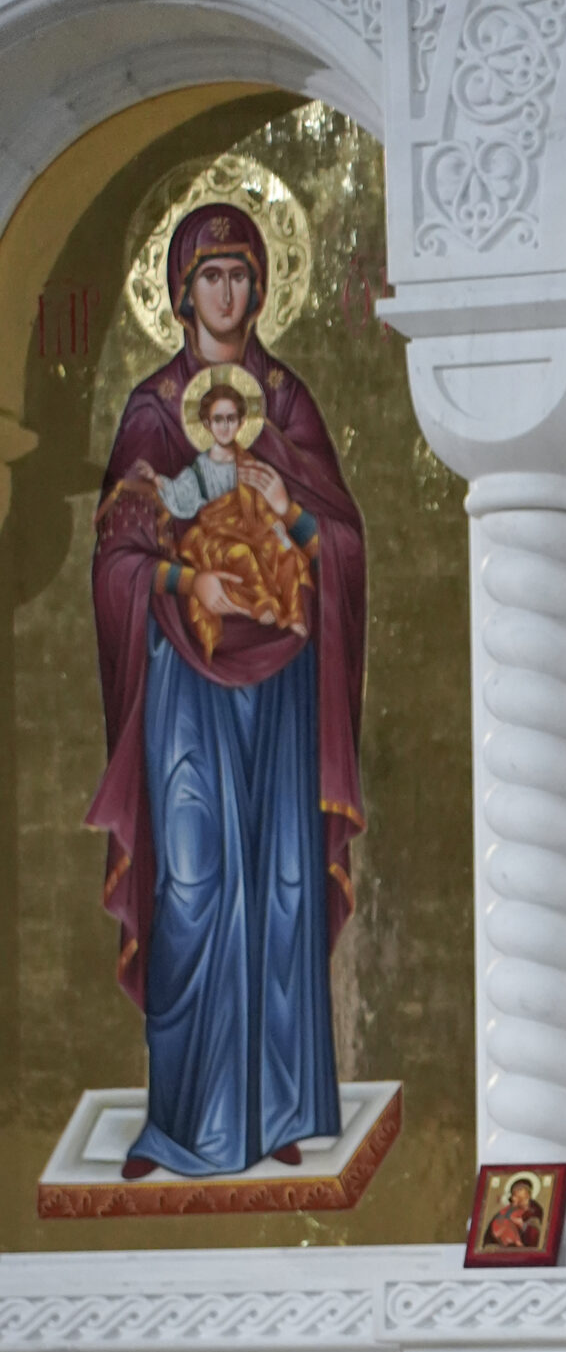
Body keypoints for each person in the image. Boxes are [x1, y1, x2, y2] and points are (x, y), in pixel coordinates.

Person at [88, 202, 366, 1181]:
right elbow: (116, 558)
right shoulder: (151, 411)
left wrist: (295, 513)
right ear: (180, 289)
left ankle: (278, 1107)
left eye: (242, 272)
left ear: (260, 285)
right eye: (210, 274)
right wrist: (184, 583)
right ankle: (180, 1122)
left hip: (282, 684)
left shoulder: (287, 406)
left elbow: (341, 544)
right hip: (185, 686)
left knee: (283, 888)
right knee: (196, 885)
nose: (227, 291)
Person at [134, 373, 315, 659]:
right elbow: (182, 497)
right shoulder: (201, 468)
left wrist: (280, 527)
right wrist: (157, 480)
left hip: (252, 528)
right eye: (218, 419)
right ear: (207, 424)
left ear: (241, 422)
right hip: (215, 535)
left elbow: (260, 505)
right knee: (241, 554)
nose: (225, 425)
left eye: (231, 418)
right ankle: (261, 605)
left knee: (285, 554)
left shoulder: (248, 461)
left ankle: (292, 613)